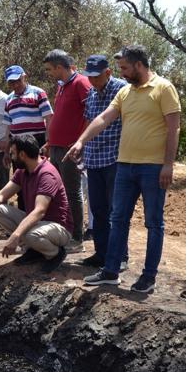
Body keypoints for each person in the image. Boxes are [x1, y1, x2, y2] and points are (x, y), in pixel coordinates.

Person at [65, 45, 181, 293]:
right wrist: (81, 141)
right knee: (117, 219)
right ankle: (111, 271)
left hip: (152, 168)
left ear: (139, 64)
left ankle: (149, 276)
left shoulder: (164, 88)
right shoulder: (126, 93)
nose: (123, 73)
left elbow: (174, 129)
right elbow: (103, 118)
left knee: (153, 223)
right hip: (125, 166)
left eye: (126, 68)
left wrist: (168, 164)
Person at [0, 134, 72, 273]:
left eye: (13, 153)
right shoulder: (23, 171)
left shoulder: (47, 174)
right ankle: (34, 250)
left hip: (59, 229)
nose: (11, 156)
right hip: (38, 224)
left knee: (30, 235)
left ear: (22, 155)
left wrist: (15, 236)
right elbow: (1, 195)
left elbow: (39, 211)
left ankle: (54, 254)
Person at [77, 54, 128, 269]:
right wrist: (82, 145)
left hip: (115, 159)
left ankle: (120, 256)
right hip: (93, 159)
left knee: (116, 211)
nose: (92, 81)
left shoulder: (123, 90)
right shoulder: (90, 93)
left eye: (96, 77)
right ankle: (101, 253)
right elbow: (90, 121)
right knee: (98, 209)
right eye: (89, 76)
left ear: (108, 72)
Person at [42, 49, 92, 248]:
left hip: (70, 149)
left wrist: (81, 140)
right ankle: (63, 230)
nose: (49, 73)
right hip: (56, 148)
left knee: (72, 192)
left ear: (59, 67)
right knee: (59, 191)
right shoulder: (62, 86)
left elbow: (93, 112)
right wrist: (50, 141)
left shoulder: (81, 82)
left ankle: (77, 237)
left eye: (50, 69)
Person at [2, 65, 53, 210]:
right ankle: (22, 218)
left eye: (18, 80)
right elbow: (8, 127)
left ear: (24, 77)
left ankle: (42, 217)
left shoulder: (38, 93)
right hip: (17, 145)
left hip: (37, 143)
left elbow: (49, 118)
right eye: (12, 82)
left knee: (40, 179)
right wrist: (7, 151)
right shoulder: (9, 99)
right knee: (21, 182)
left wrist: (49, 142)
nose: (15, 85)